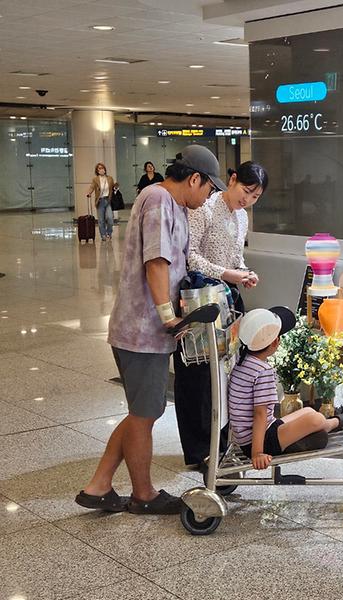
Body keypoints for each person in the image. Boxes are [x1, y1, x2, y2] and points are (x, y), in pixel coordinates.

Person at [75, 145, 226, 515]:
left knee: (143, 411)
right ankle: (143, 495)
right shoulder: (158, 198)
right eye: (208, 189)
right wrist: (166, 315)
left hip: (144, 331)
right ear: (194, 179)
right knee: (144, 415)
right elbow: (156, 262)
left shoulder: (170, 204)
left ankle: (99, 486)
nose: (208, 198)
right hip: (142, 331)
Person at [173, 161, 268, 467]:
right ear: (232, 179)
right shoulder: (204, 207)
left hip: (228, 298)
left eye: (255, 197)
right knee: (199, 374)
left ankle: (223, 439)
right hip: (201, 298)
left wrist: (244, 272)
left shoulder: (241, 217)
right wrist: (227, 273)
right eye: (246, 190)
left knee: (226, 371)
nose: (248, 200)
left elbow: (235, 255)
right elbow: (190, 257)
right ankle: (199, 448)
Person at [230, 309, 343, 470]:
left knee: (309, 413)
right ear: (275, 342)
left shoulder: (243, 361)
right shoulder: (262, 371)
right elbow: (260, 413)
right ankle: (334, 423)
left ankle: (328, 425)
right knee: (316, 420)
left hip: (259, 432)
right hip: (260, 440)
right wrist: (257, 453)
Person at [85, 162, 117, 242]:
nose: (101, 170)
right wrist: (89, 193)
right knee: (101, 220)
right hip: (100, 201)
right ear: (97, 171)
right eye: (99, 168)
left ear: (105, 169)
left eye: (102, 168)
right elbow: (92, 187)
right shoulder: (95, 179)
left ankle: (109, 233)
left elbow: (113, 187)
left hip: (108, 200)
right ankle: (103, 234)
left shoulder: (109, 178)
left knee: (110, 218)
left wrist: (116, 186)